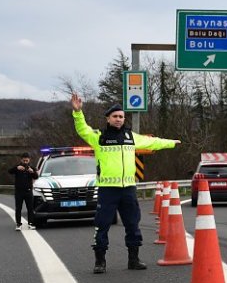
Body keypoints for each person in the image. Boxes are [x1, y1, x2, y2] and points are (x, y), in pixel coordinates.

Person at [71, 93, 181, 273]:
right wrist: (77, 112)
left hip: (128, 189)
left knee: (132, 224)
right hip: (108, 190)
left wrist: (171, 143)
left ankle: (134, 259)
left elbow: (152, 142)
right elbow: (82, 129)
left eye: (121, 116)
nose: (118, 119)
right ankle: (100, 262)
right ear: (108, 118)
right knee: (102, 225)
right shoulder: (99, 137)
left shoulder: (131, 136)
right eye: (115, 116)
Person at [8, 153, 39, 231]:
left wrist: (32, 172)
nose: (25, 162)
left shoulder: (32, 168)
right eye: (24, 160)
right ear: (21, 160)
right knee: (18, 208)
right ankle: (18, 224)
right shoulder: (18, 167)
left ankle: (30, 224)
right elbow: (10, 171)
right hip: (19, 192)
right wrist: (16, 168)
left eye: (27, 160)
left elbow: (36, 177)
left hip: (28, 191)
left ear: (29, 160)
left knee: (30, 208)